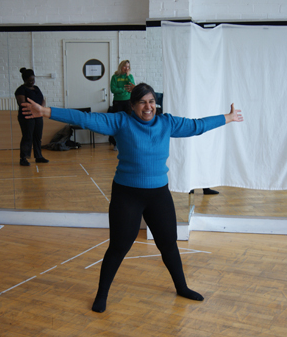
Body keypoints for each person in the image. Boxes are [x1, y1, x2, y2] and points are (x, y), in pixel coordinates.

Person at [21, 83, 243, 313]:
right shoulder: (120, 121)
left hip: (158, 195)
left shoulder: (167, 123)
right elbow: (85, 118)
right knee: (118, 247)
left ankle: (182, 287)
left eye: (151, 102)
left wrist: (228, 117)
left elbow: (198, 126)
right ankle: (101, 295)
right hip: (127, 194)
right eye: (142, 102)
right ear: (133, 106)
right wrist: (47, 112)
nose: (148, 107)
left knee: (168, 244)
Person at [15, 68, 49, 166]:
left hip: (38, 115)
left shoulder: (36, 88)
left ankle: (39, 156)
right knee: (27, 137)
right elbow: (22, 102)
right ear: (24, 80)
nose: (32, 82)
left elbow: (42, 99)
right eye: (30, 80)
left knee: (38, 137)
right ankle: (23, 158)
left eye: (33, 80)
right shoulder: (20, 89)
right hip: (26, 116)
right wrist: (35, 108)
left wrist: (41, 108)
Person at [109, 60, 135, 150]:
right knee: (117, 122)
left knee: (128, 122)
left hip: (128, 101)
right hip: (118, 102)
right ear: (121, 67)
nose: (126, 68)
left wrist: (128, 76)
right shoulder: (115, 77)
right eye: (125, 66)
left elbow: (132, 87)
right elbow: (113, 89)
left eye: (128, 67)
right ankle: (116, 143)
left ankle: (128, 142)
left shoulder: (130, 76)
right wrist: (124, 89)